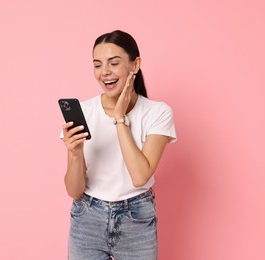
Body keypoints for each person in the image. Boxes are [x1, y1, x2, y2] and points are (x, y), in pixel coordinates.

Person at [60, 30, 177, 260]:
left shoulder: (157, 113)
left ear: (135, 65)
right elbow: (74, 191)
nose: (105, 72)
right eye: (97, 65)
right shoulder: (84, 112)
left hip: (136, 219)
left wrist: (120, 118)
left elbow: (140, 176)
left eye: (114, 63)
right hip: (87, 218)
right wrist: (74, 153)